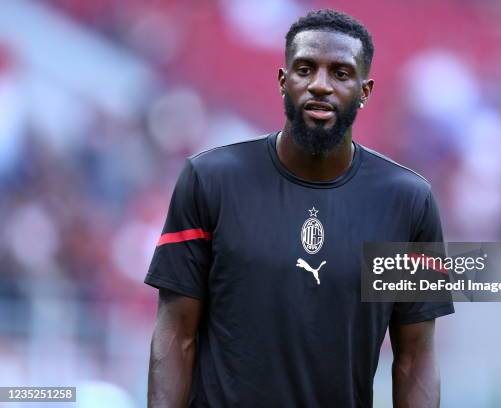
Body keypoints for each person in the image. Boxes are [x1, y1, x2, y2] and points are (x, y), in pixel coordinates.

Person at [145, 9, 454, 408]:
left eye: (340, 73)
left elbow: (415, 357)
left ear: (365, 90)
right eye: (305, 69)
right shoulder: (211, 180)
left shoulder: (407, 202)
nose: (320, 85)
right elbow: (176, 334)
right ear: (283, 80)